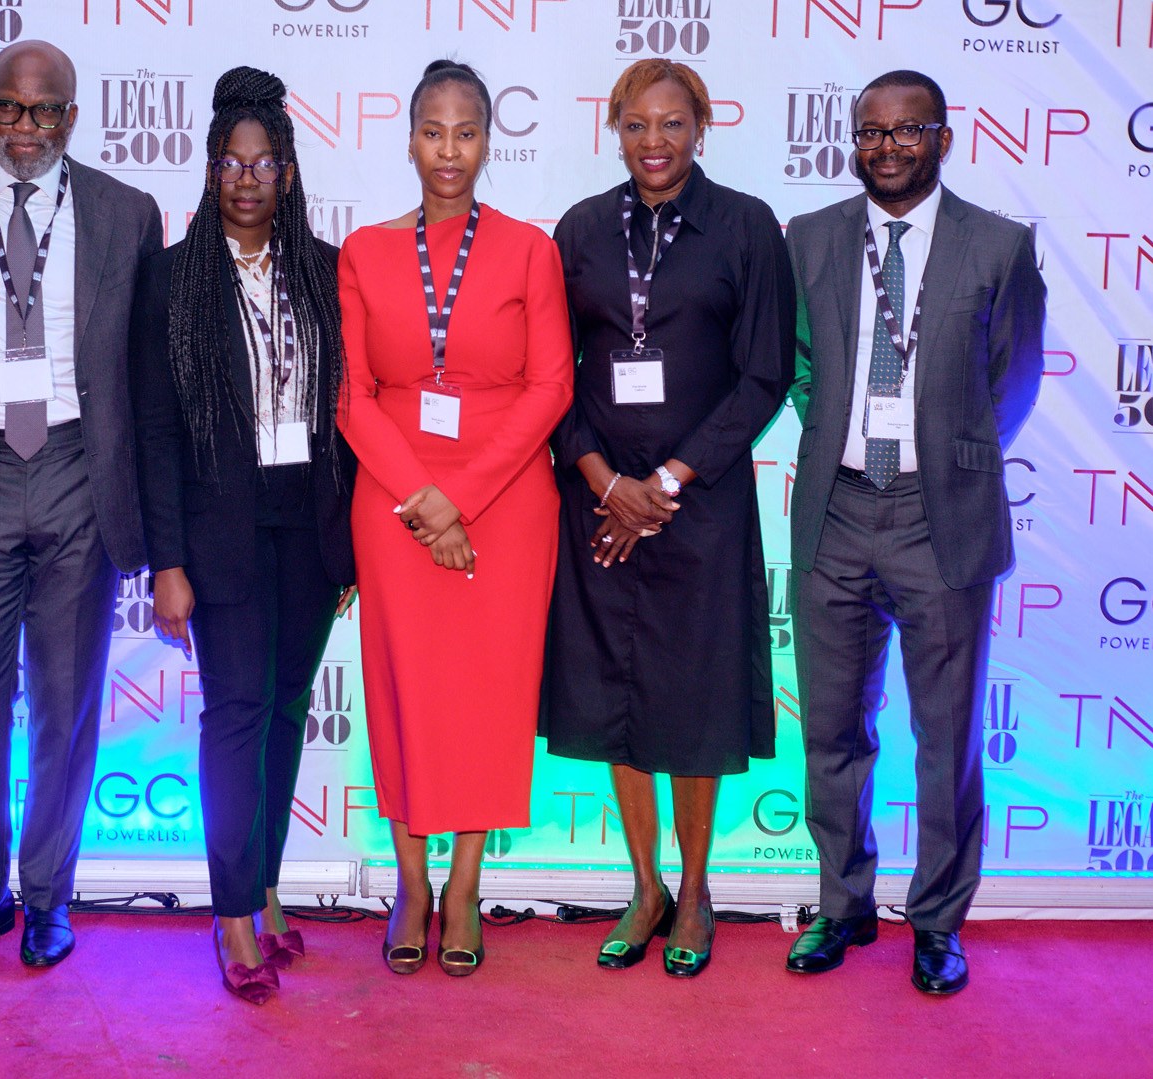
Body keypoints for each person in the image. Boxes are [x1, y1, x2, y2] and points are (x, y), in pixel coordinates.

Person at [0, 40, 163, 969]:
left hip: (79, 470)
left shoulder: (127, 213)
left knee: (65, 701)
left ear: (71, 119)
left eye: (43, 110)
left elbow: (147, 370)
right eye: (7, 107)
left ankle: (48, 894)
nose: (23, 127)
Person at [784, 69, 1045, 995]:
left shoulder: (999, 246)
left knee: (947, 735)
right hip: (837, 511)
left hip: (944, 521)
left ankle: (937, 920)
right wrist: (841, 438)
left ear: (942, 138)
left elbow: (1013, 380)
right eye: (870, 132)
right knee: (831, 729)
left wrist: (948, 457)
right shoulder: (811, 237)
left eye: (906, 130)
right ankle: (842, 902)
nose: (886, 146)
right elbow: (802, 366)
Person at [541, 58, 795, 978]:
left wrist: (668, 482)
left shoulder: (746, 227)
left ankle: (694, 893)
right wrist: (607, 482)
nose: (655, 141)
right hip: (601, 504)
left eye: (672, 123)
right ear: (615, 128)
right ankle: (643, 887)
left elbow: (764, 374)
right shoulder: (578, 230)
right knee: (617, 695)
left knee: (693, 702)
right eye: (637, 124)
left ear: (702, 127)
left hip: (704, 507)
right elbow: (551, 376)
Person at [338, 60, 573, 978]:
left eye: (465, 132)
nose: (448, 150)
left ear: (487, 142)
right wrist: (421, 499)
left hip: (506, 500)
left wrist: (460, 498)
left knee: (489, 696)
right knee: (401, 688)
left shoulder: (529, 250)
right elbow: (352, 396)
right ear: (409, 140)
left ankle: (465, 885)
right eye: (432, 132)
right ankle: (411, 883)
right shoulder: (363, 251)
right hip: (393, 495)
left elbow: (551, 386)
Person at [131, 67, 356, 1005]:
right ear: (210, 172)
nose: (248, 179)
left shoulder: (327, 272)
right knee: (236, 711)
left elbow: (349, 414)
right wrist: (167, 563)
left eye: (264, 164)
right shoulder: (172, 278)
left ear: (289, 173)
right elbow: (153, 431)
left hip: (309, 525)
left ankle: (264, 886)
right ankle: (228, 912)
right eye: (231, 163)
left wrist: (349, 545)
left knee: (288, 706)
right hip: (217, 531)